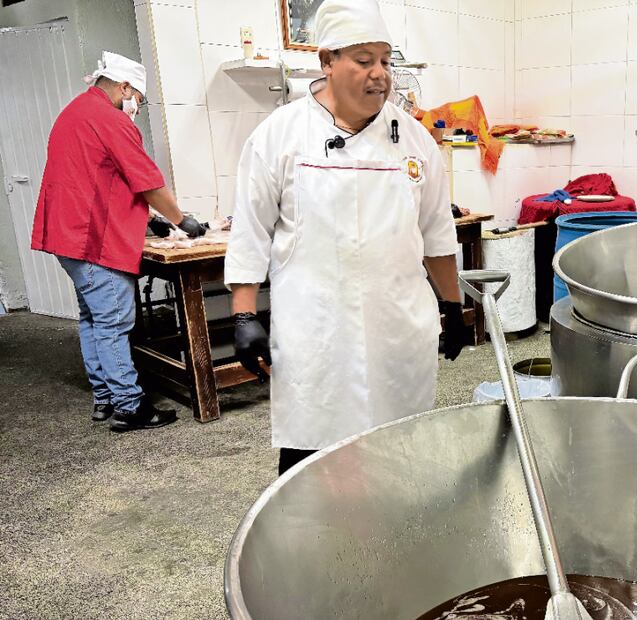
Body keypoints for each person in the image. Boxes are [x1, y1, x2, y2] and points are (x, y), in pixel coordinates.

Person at [225, 0, 468, 476]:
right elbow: (252, 229)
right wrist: (244, 314)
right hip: (316, 328)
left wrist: (454, 305)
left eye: (385, 60)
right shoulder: (280, 135)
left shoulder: (414, 140)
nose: (379, 75)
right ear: (327, 62)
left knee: (397, 450)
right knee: (310, 461)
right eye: (363, 61)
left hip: (397, 325)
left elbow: (437, 232)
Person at [31, 51, 207, 432]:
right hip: (92, 240)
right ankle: (131, 406)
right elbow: (148, 181)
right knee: (113, 323)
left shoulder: (75, 112)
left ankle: (105, 397)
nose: (136, 107)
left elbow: (101, 181)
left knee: (94, 318)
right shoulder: (109, 119)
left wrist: (152, 223)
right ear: (125, 87)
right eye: (138, 99)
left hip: (68, 236)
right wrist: (182, 221)